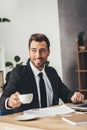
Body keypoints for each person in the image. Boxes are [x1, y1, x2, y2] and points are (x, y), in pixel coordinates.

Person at [0, 33, 84, 113]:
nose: (38, 55)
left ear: (48, 52)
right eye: (34, 50)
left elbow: (66, 94)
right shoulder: (18, 73)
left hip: (53, 121)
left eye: (42, 51)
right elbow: (3, 100)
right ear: (29, 52)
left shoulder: (52, 72)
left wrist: (74, 97)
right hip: (29, 125)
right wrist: (9, 102)